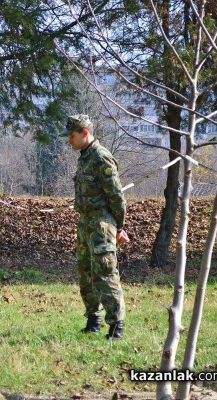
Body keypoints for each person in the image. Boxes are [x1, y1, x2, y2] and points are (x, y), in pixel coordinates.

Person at [59, 114, 129, 340]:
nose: (69, 140)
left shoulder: (101, 157)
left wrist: (119, 228)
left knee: (105, 274)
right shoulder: (85, 157)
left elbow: (117, 197)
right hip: (85, 222)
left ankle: (116, 326)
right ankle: (93, 320)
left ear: (85, 133)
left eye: (72, 136)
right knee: (86, 274)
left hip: (101, 224)